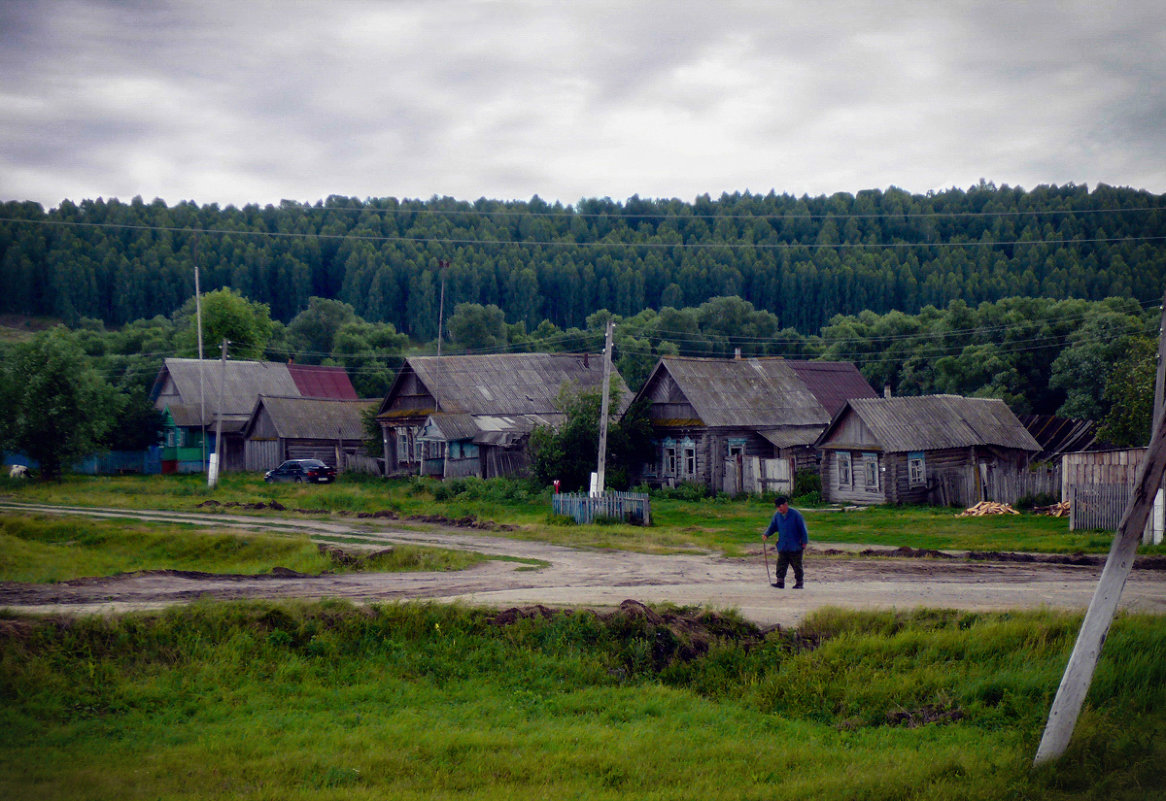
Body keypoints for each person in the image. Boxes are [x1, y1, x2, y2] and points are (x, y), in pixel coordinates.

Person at [761, 495, 809, 589]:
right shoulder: (777, 515)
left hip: (795, 545)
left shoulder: (796, 515)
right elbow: (773, 527)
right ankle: (780, 582)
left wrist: (804, 542)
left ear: (786, 505)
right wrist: (766, 534)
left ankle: (799, 583)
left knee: (797, 565)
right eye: (777, 507)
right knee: (781, 564)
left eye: (780, 506)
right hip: (783, 545)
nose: (779, 509)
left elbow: (803, 529)